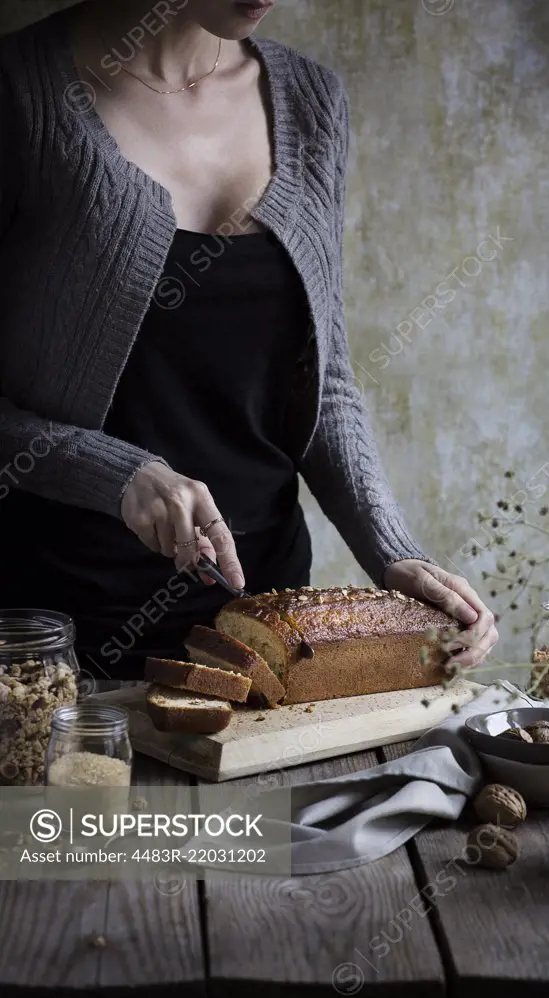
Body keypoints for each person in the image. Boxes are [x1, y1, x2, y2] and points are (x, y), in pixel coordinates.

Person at [0, 0, 498, 680]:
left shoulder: (312, 103)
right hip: (53, 639)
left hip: (266, 631)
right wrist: (118, 475)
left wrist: (391, 553)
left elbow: (324, 385)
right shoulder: (20, 95)